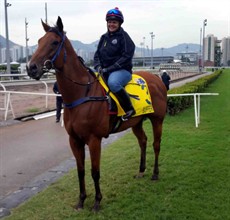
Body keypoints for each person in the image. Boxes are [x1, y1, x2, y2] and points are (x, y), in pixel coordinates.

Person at [94, 7, 136, 121]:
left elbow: (127, 56)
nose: (111, 24)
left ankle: (129, 108)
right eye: (109, 22)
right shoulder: (104, 38)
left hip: (122, 71)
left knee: (113, 83)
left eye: (114, 22)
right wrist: (97, 66)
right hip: (104, 70)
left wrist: (110, 69)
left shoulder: (124, 37)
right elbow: (97, 55)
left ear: (119, 23)